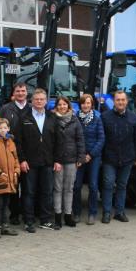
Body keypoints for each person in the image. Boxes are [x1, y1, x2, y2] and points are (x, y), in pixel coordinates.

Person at [14, 88, 57, 232]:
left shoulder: (52, 117)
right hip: (29, 163)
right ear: (31, 101)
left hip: (47, 162)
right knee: (29, 192)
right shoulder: (24, 118)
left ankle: (45, 220)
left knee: (47, 192)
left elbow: (58, 141)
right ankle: (29, 221)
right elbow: (18, 141)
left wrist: (57, 160)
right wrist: (22, 160)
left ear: (46, 101)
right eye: (36, 99)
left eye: (42, 99)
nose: (39, 102)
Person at [100, 90, 136, 223]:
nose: (120, 102)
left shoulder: (134, 118)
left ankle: (119, 212)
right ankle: (106, 212)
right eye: (118, 100)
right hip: (109, 158)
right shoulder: (105, 117)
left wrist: (135, 157)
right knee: (108, 185)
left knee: (123, 185)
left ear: (127, 101)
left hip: (127, 158)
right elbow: (102, 138)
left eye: (123, 100)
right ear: (114, 101)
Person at [0, 82, 30, 226]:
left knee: (28, 187)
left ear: (27, 93)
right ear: (14, 93)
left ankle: (27, 213)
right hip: (10, 153)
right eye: (18, 91)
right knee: (13, 186)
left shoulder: (32, 108)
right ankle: (14, 215)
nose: (21, 93)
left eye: (23, 91)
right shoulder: (6, 109)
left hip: (29, 154)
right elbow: (1, 129)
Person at [52, 95, 86, 229]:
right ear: (56, 107)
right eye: (59, 105)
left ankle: (67, 215)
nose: (62, 107)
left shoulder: (75, 120)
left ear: (68, 106)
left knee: (69, 189)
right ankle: (57, 217)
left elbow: (80, 140)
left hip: (72, 160)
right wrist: (54, 160)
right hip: (58, 161)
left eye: (64, 104)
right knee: (57, 189)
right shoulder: (52, 119)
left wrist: (80, 157)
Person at [73, 94, 104, 225]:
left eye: (88, 103)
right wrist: (81, 155)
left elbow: (101, 139)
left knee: (93, 185)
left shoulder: (97, 119)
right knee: (77, 186)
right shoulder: (75, 119)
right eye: (83, 103)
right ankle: (76, 213)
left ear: (92, 104)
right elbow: (72, 138)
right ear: (80, 105)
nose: (86, 105)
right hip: (79, 157)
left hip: (93, 157)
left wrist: (90, 154)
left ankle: (92, 213)